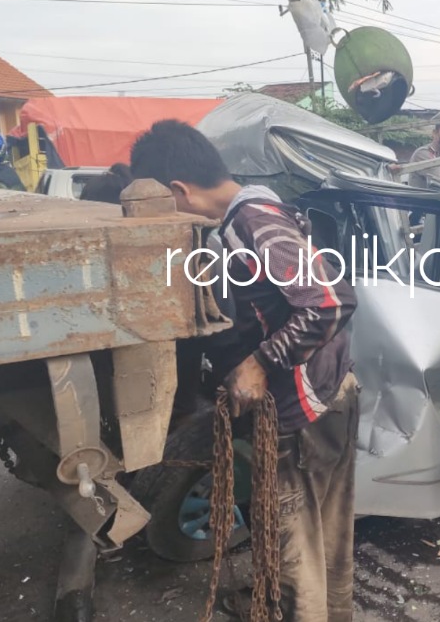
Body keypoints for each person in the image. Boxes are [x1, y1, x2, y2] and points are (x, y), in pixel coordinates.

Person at [129, 120, 359, 622]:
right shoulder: (254, 214)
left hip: (300, 409)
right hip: (330, 390)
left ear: (179, 190)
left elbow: (329, 302)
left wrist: (258, 363)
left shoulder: (250, 223)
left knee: (295, 546)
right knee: (326, 533)